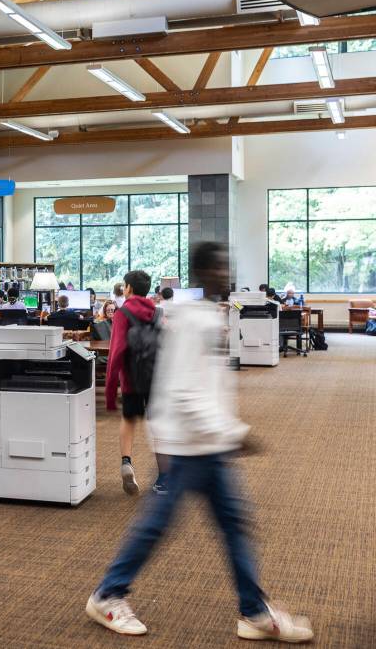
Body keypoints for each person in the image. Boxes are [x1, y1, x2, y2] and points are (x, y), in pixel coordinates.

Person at [85, 242, 313, 643]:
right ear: (203, 272)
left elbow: (208, 387)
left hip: (207, 444)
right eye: (220, 267)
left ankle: (254, 611)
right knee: (158, 525)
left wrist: (227, 431)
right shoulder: (193, 321)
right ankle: (108, 594)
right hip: (188, 446)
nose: (226, 274)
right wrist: (235, 434)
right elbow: (187, 391)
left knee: (233, 525)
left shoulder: (208, 315)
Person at [105, 270, 162, 496]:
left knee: (129, 420)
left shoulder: (122, 313)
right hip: (156, 377)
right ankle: (164, 477)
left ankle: (127, 462)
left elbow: (116, 352)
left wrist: (110, 393)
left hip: (131, 378)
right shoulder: (158, 312)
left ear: (127, 288)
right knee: (158, 426)